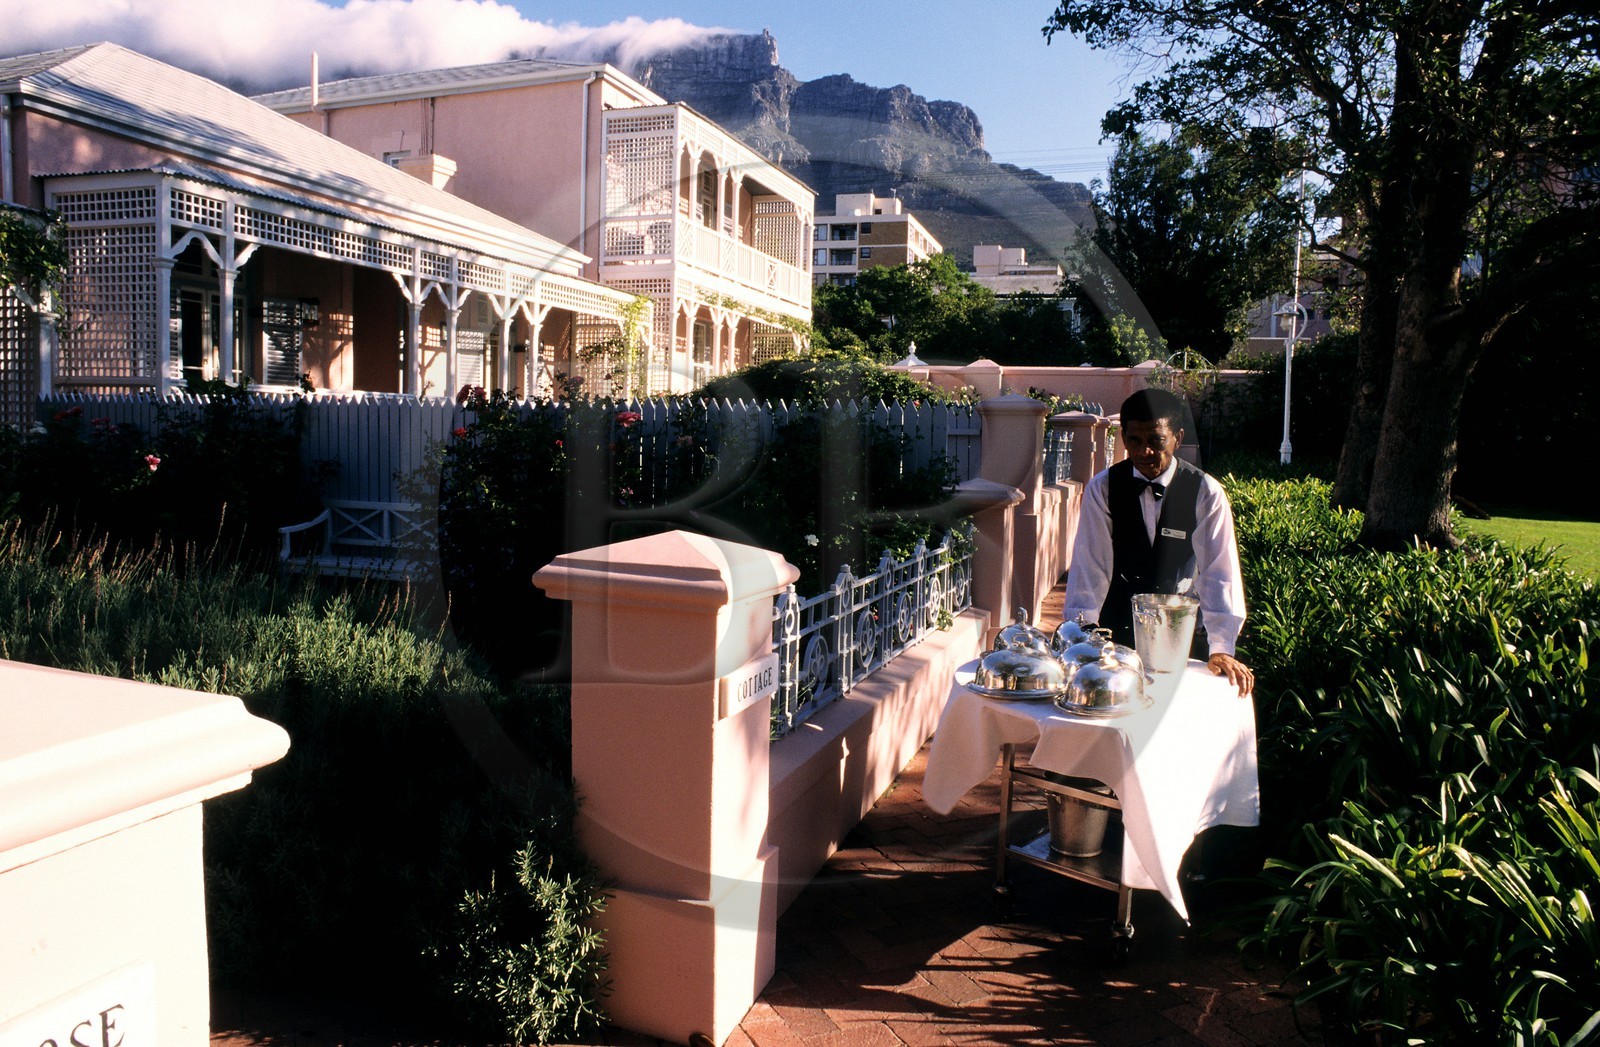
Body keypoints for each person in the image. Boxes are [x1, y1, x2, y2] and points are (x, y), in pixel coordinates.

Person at [1061, 387, 1254, 696]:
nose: (1144, 452)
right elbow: (1090, 566)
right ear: (1123, 438)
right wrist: (1082, 636)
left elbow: (1219, 572)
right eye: (1134, 441)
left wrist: (1221, 646)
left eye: (1156, 440)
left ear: (1177, 438)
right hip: (1115, 634)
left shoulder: (1206, 492)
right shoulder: (1103, 488)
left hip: (1179, 635)